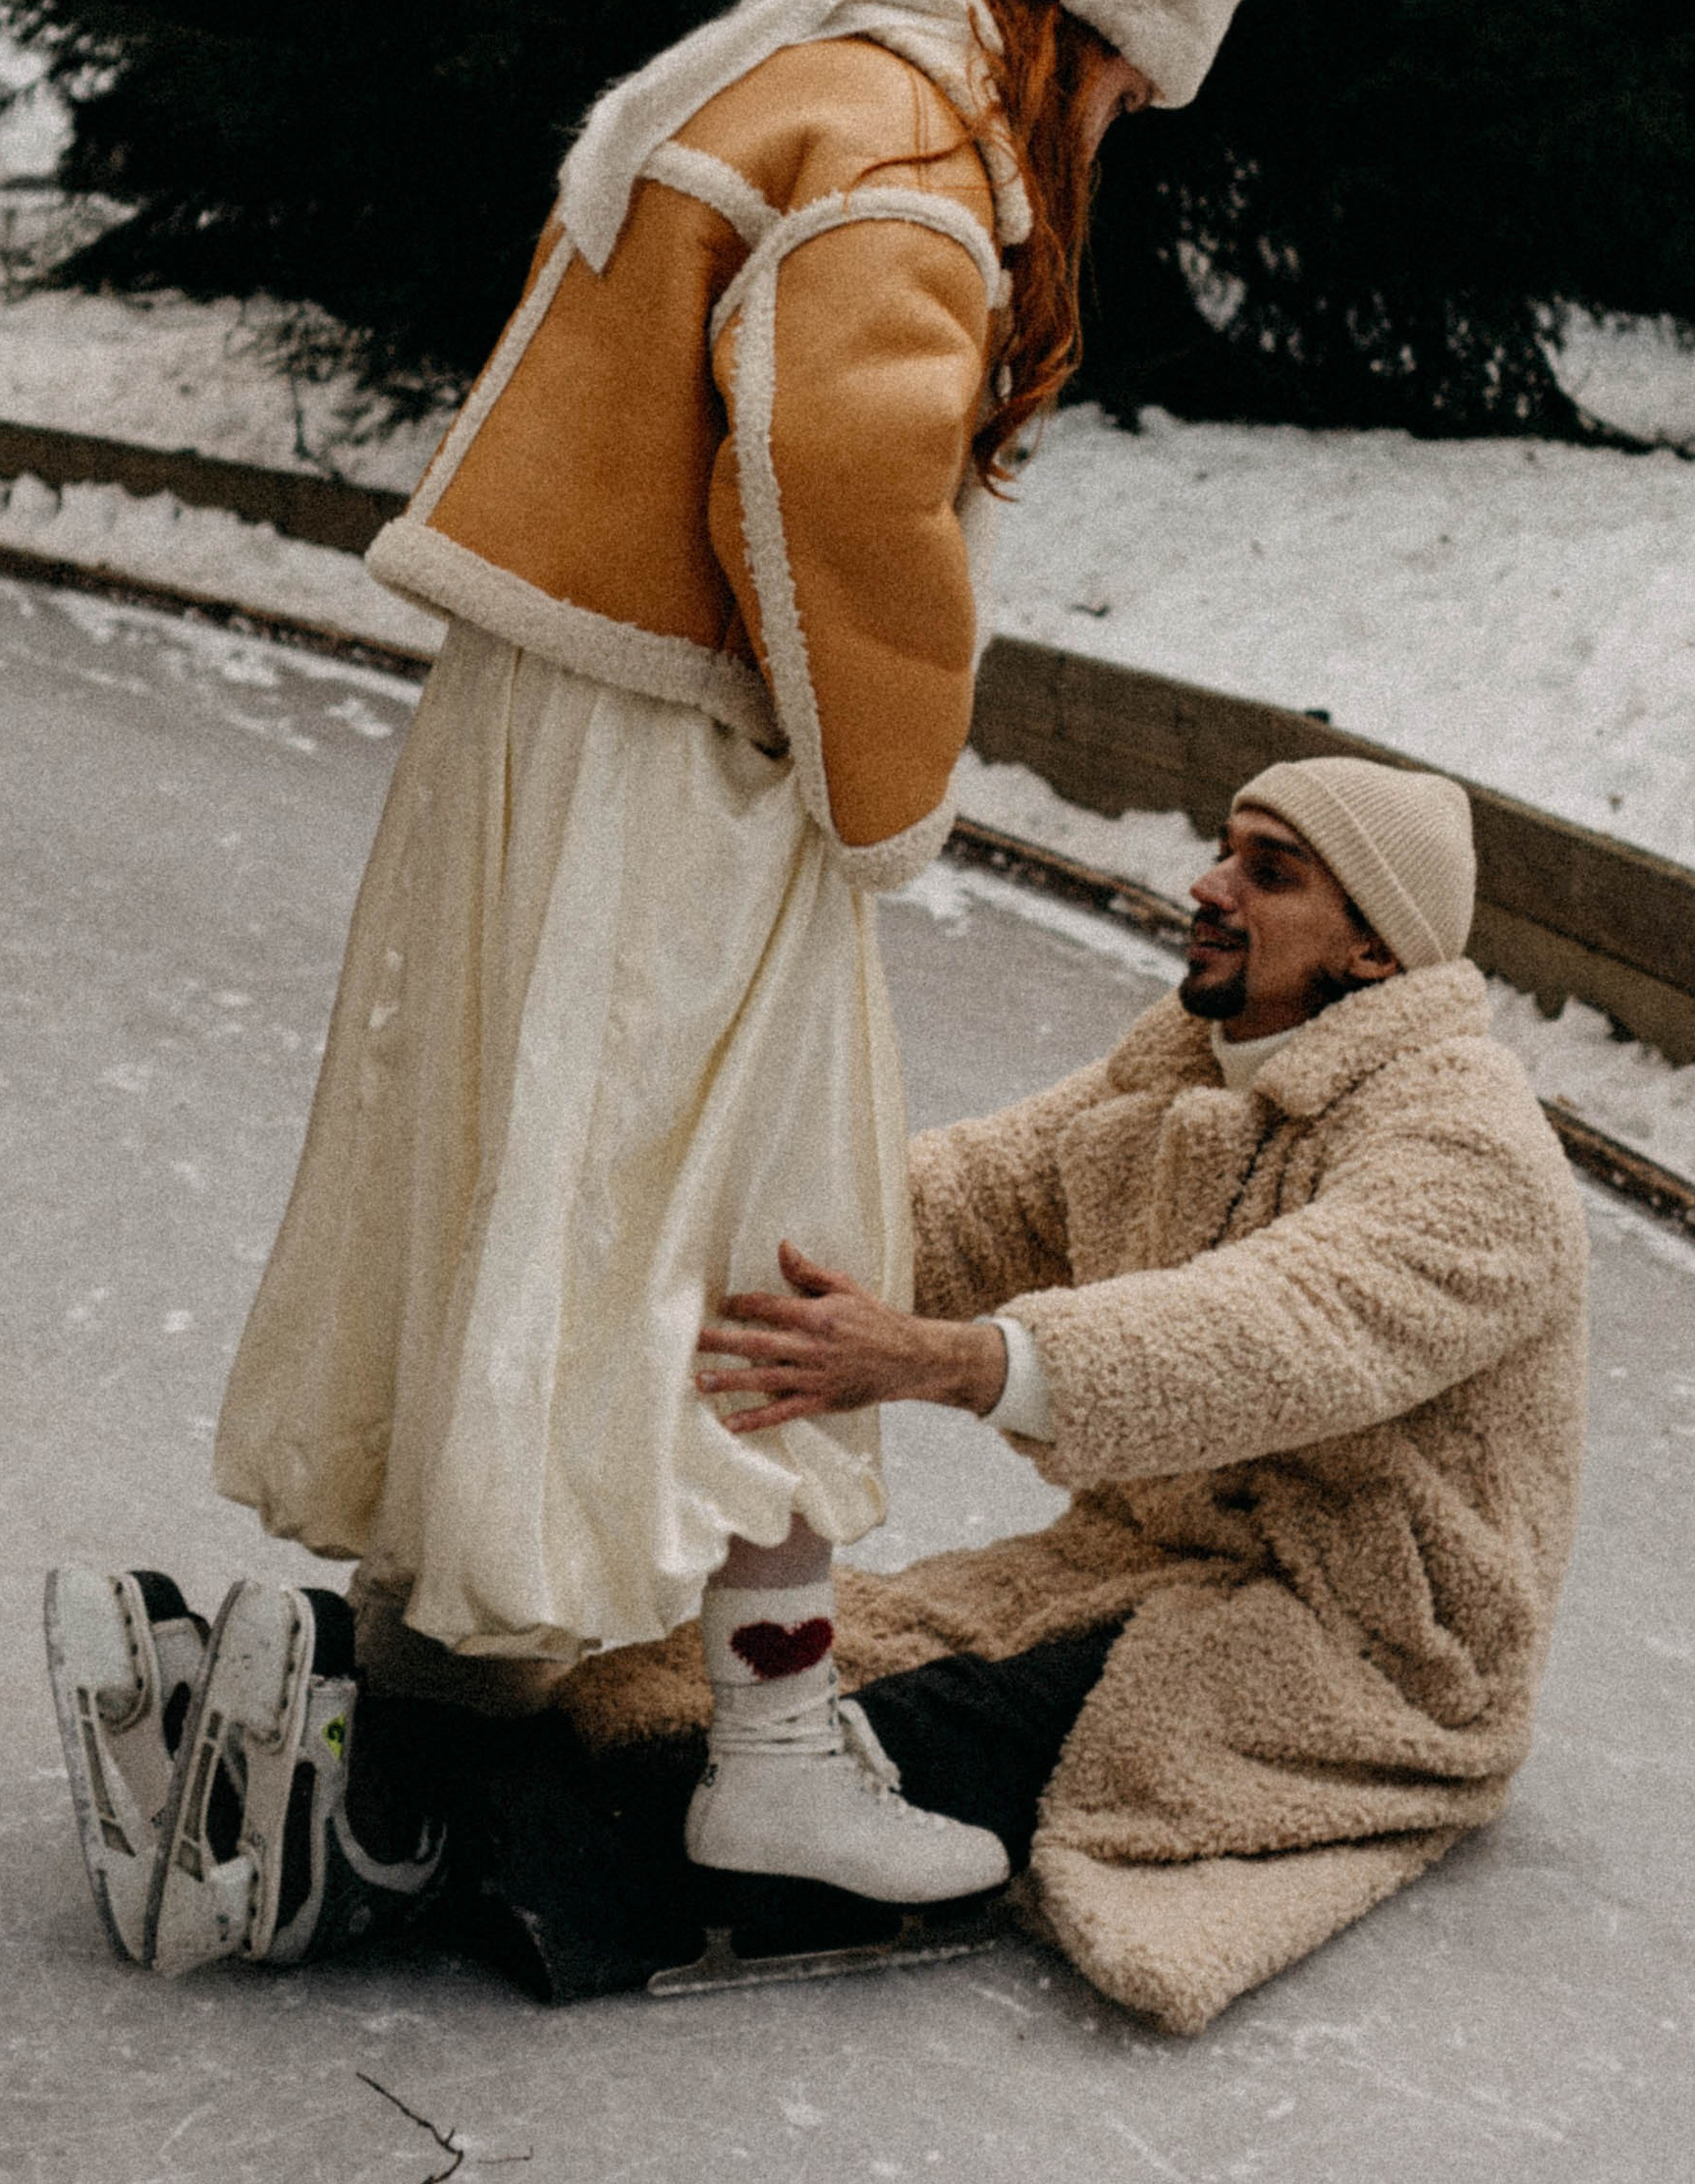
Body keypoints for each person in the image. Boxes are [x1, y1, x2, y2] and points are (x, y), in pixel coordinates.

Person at [44, 0, 1263, 1980]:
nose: (1117, 140)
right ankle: (778, 1756)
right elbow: (836, 472)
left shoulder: (783, 55)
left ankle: (415, 1728)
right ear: (1087, 34)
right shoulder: (913, 142)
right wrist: (884, 785)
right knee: (759, 1195)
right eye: (1132, 99)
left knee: (528, 1172)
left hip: (538, 712)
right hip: (683, 745)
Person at [670, 753, 1593, 2033]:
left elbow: (1280, 1329)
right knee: (729, 1688)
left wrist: (944, 1358)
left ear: (1376, 953)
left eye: (1269, 873)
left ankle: (410, 1853)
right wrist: (711, 1240)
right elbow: (973, 1198)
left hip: (1359, 1632)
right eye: (1226, 849)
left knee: (884, 1746)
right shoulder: (1188, 1068)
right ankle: (381, 1730)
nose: (1209, 887)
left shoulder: (1469, 1148)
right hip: (1149, 1559)